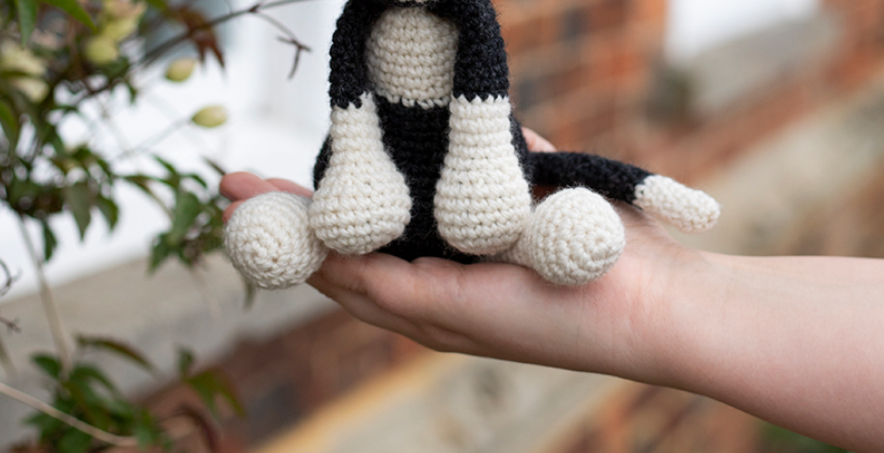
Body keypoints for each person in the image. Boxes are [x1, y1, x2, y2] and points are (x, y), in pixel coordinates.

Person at [220, 129, 884, 453]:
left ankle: (550, 233)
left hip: (497, 215)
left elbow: (559, 166)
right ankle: (298, 226)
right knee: (320, 216)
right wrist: (670, 285)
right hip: (365, 197)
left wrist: (660, 280)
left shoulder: (477, 71)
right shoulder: (361, 68)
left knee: (552, 228)